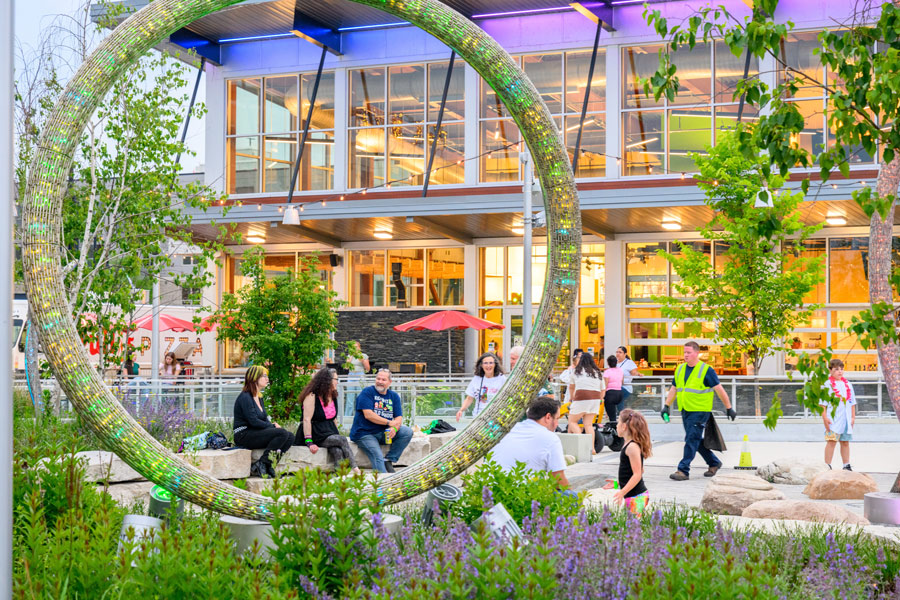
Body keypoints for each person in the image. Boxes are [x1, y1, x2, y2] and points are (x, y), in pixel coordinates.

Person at [662, 341, 736, 481]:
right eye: (684, 352)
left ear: (697, 353)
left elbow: (719, 389)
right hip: (685, 409)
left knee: (691, 439)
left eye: (689, 352)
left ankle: (683, 470)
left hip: (700, 410)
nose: (686, 355)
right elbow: (674, 388)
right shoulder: (680, 369)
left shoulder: (706, 370)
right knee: (694, 439)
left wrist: (729, 408)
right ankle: (714, 462)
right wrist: (666, 405)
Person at [491, 395, 570, 489]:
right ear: (548, 417)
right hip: (520, 494)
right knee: (571, 496)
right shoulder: (550, 438)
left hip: (490, 491)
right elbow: (559, 480)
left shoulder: (510, 429)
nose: (557, 424)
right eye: (557, 418)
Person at [232, 365, 294, 478]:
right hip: (243, 434)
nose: (267, 379)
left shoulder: (259, 397)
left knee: (290, 436)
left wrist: (272, 425)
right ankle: (262, 463)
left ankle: (268, 464)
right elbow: (254, 421)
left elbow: (263, 419)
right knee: (282, 433)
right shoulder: (245, 397)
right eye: (264, 376)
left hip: (255, 432)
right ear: (254, 378)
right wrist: (272, 426)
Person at [296, 367, 359, 474]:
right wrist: (309, 442)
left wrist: (337, 435)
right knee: (342, 440)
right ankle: (355, 468)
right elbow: (306, 420)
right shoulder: (311, 396)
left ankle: (340, 477)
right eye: (336, 379)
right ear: (327, 381)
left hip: (328, 431)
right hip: (315, 432)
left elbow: (333, 418)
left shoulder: (333, 395)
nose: (337, 382)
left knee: (337, 450)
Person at [349, 368, 413, 473]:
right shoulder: (367, 392)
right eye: (378, 378)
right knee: (377, 457)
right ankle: (382, 486)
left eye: (383, 380)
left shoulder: (394, 396)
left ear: (389, 382)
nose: (380, 382)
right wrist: (389, 423)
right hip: (365, 433)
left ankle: (389, 459)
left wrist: (395, 428)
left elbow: (398, 418)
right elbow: (368, 415)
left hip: (383, 433)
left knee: (407, 432)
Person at [614, 408, 652, 517]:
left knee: (631, 529)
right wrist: (617, 483)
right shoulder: (628, 445)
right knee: (630, 527)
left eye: (618, 423)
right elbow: (629, 472)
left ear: (624, 426)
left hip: (637, 496)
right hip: (633, 496)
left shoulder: (632, 447)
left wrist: (622, 492)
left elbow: (638, 474)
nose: (616, 426)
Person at [821, 358, 856, 471]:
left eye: (841, 369)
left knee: (845, 442)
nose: (840, 372)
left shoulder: (848, 384)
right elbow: (823, 404)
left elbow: (852, 402)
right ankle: (827, 465)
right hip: (833, 418)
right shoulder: (827, 385)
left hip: (846, 419)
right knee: (831, 441)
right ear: (830, 370)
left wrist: (853, 417)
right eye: (836, 369)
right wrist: (825, 417)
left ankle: (846, 464)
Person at [456, 352, 506, 421]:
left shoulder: (501, 378)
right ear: (481, 365)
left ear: (495, 365)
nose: (488, 366)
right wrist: (461, 410)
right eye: (485, 363)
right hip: (479, 418)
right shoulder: (477, 379)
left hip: (496, 418)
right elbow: (469, 398)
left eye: (491, 363)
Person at [567, 352, 604, 442]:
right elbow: (603, 389)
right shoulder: (598, 373)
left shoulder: (576, 371)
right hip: (595, 399)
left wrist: (572, 398)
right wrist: (600, 399)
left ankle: (581, 441)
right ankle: (592, 449)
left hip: (581, 398)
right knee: (588, 425)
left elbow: (571, 387)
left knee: (572, 422)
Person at [615, 346, 640, 412]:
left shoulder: (629, 363)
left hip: (625, 387)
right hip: (615, 386)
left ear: (625, 354)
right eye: (617, 352)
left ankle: (621, 414)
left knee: (617, 395)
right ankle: (614, 414)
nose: (618, 354)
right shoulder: (614, 363)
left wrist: (638, 374)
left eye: (620, 352)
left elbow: (634, 372)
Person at [602, 355, 624, 425]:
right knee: (619, 414)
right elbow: (622, 382)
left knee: (612, 417)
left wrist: (602, 396)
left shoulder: (607, 372)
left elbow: (605, 385)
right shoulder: (620, 370)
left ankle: (614, 430)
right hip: (619, 393)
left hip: (610, 394)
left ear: (608, 363)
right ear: (616, 362)